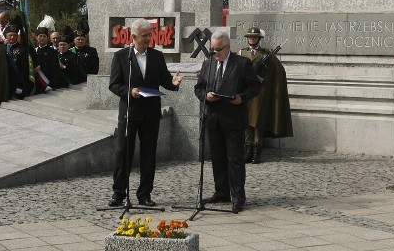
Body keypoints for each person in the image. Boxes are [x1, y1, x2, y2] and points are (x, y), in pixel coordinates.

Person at [108, 19, 183, 207]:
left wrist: (173, 83)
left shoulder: (157, 57)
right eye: (144, 36)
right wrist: (130, 92)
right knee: (123, 152)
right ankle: (119, 194)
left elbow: (165, 80)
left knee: (149, 154)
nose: (149, 38)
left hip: (150, 113)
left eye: (150, 35)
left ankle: (145, 194)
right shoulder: (121, 57)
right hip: (129, 112)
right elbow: (114, 84)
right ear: (133, 37)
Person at [195, 30, 261, 212]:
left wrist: (242, 97)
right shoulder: (208, 64)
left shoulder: (242, 63)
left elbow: (255, 86)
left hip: (233, 118)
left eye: (218, 49)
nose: (215, 53)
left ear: (228, 47)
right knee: (217, 158)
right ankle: (221, 191)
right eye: (212, 49)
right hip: (213, 118)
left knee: (235, 159)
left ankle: (238, 196)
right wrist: (205, 96)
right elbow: (198, 88)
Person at [240, 27, 292, 164]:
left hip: (259, 92)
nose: (252, 39)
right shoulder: (241, 52)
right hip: (245, 91)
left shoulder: (266, 54)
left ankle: (257, 151)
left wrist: (264, 79)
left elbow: (279, 71)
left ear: (259, 39)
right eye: (250, 37)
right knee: (246, 121)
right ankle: (248, 150)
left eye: (254, 37)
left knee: (257, 121)